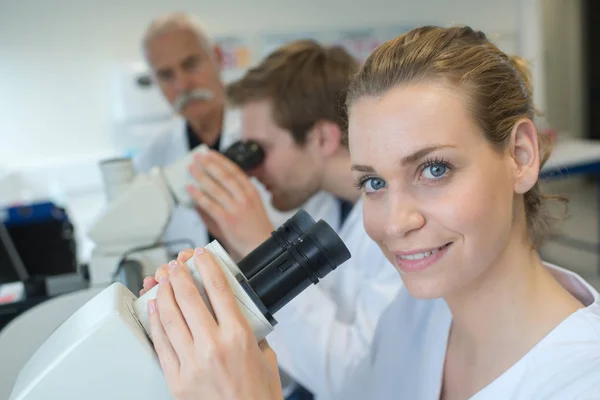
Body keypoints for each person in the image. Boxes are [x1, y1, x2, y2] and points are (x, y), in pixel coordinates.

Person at [146, 25, 600, 399]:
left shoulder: (582, 378)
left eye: (434, 169)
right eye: (374, 183)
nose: (395, 222)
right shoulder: (416, 316)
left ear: (521, 156)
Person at [140, 40, 403, 399]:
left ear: (322, 137)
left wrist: (259, 241)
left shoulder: (398, 229)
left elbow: (355, 379)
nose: (254, 168)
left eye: (260, 149)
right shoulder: (327, 204)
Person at [133, 13, 338, 256]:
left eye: (190, 65)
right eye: (166, 75)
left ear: (217, 57)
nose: (182, 85)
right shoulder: (151, 158)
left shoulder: (270, 128)